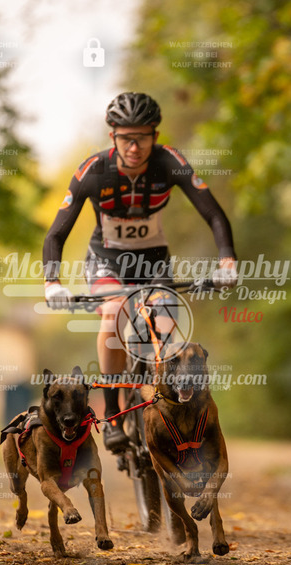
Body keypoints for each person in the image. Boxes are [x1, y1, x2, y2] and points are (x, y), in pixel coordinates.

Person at [43, 92, 237, 453]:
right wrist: (52, 282)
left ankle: (172, 407)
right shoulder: (93, 171)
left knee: (166, 327)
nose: (134, 147)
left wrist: (227, 260)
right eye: (127, 138)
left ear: (155, 136)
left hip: (153, 262)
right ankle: (113, 413)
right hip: (107, 261)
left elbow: (213, 213)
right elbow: (56, 234)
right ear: (113, 137)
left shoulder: (170, 162)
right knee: (114, 312)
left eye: (143, 138)